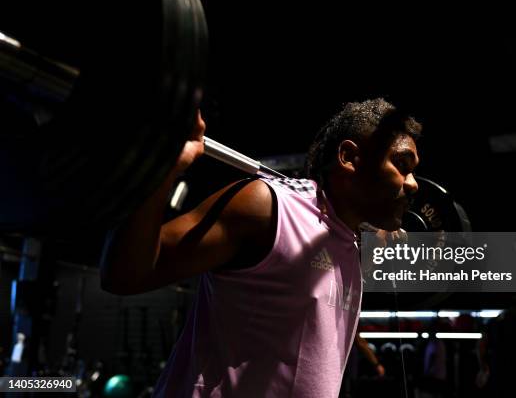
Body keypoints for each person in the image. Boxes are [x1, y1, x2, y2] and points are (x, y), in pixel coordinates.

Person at [100, 98, 421, 397]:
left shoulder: (349, 240)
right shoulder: (266, 207)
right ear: (349, 158)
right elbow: (124, 275)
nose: (413, 183)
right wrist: (158, 164)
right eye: (402, 165)